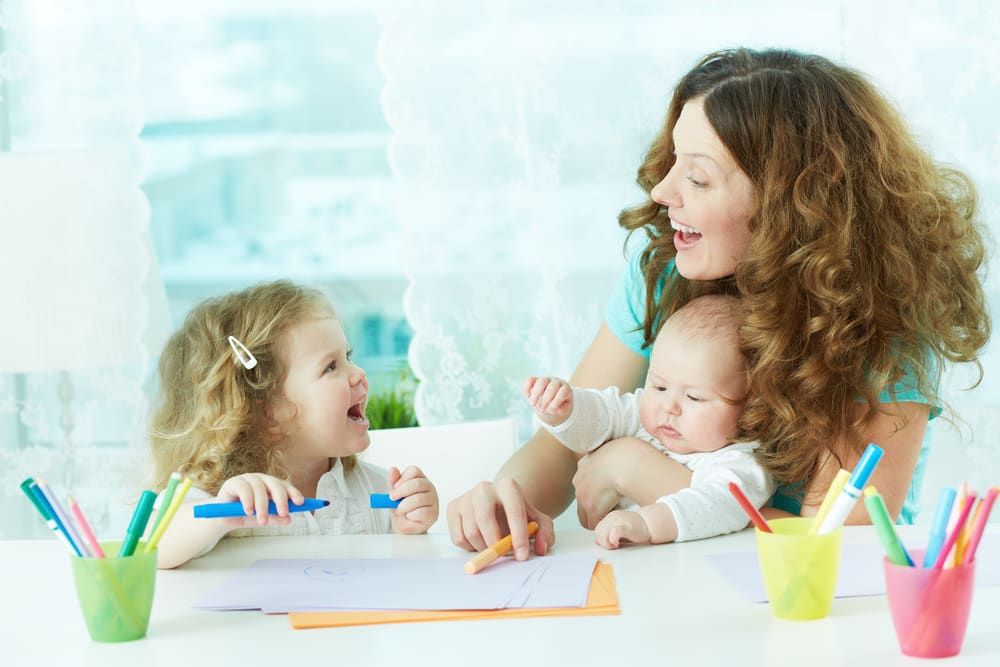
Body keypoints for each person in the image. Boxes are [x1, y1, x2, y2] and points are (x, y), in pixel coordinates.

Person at [447, 47, 990, 561]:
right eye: (673, 162)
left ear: (789, 204)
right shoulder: (661, 274)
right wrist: (504, 497)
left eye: (698, 176)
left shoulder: (880, 335)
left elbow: (828, 545)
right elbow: (563, 445)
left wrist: (634, 467)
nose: (662, 191)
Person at [147, 280, 439, 568]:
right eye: (331, 366)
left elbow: (402, 574)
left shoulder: (377, 491)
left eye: (347, 357)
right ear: (269, 412)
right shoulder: (219, 491)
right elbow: (154, 546)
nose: (359, 374)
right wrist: (221, 513)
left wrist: (409, 530)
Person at [525, 294, 774, 548]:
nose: (669, 407)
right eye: (659, 386)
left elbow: (717, 506)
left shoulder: (742, 462)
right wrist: (564, 410)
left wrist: (647, 523)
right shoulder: (645, 415)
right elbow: (602, 416)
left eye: (694, 397)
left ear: (750, 408)